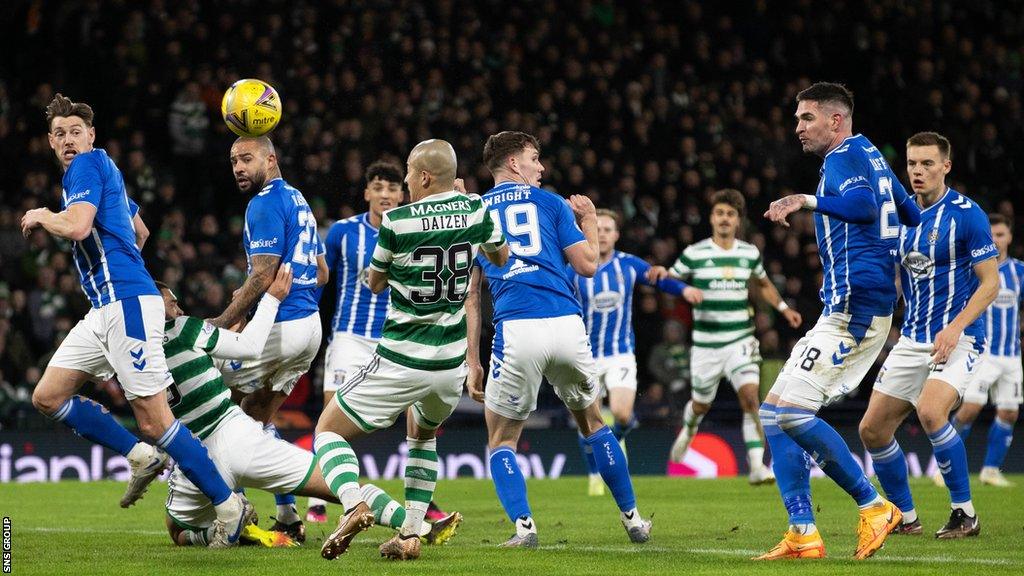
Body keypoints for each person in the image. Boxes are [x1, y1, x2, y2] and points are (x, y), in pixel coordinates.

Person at [22, 94, 251, 548]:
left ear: (91, 136)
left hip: (124, 303)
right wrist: (131, 275)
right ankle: (140, 456)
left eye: (76, 131)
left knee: (154, 418)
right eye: (61, 133)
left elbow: (80, 227)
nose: (69, 139)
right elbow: (140, 233)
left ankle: (229, 506)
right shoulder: (106, 170)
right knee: (48, 396)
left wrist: (42, 215)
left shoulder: (85, 168)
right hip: (109, 305)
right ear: (51, 141)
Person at [155, 274, 461, 548]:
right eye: (172, 303)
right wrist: (272, 298)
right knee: (340, 486)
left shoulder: (134, 355)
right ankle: (417, 526)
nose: (179, 308)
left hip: (195, 456)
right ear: (155, 307)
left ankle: (233, 527)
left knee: (177, 530)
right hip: (240, 437)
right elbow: (247, 347)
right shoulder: (186, 330)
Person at [313, 139, 508, 561]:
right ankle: (409, 534)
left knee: (327, 432)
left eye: (406, 172)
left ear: (422, 177)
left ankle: (354, 502)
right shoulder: (476, 209)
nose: (403, 180)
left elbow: (375, 283)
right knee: (422, 436)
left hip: (402, 357)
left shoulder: (398, 220)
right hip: (449, 364)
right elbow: (501, 255)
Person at [757, 82, 921, 560]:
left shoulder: (845, 157)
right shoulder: (871, 154)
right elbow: (908, 211)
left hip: (858, 311)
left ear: (836, 120)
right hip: (848, 305)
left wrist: (805, 201)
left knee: (791, 413)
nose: (798, 127)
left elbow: (867, 209)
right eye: (797, 118)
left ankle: (873, 505)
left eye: (807, 118)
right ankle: (803, 531)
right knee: (773, 414)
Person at [465, 131, 652, 548]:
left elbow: (472, 297)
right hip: (567, 325)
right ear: (514, 164)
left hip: (517, 329)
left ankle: (524, 528)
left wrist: (471, 359)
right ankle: (634, 520)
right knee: (593, 423)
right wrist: (587, 219)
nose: (541, 167)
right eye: (534, 158)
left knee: (501, 438)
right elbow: (588, 265)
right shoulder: (549, 203)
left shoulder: (475, 213)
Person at [859, 132, 998, 539]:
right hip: (913, 339)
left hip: (962, 336)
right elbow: (903, 276)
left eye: (927, 164)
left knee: (933, 411)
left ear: (946, 166)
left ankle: (964, 513)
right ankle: (905, 516)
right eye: (912, 164)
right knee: (872, 430)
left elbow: (989, 283)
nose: (918, 172)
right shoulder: (900, 215)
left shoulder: (967, 214)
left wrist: (955, 328)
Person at [308, 159, 448, 524]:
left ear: (402, 194)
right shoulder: (342, 232)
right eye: (378, 188)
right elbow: (326, 283)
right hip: (349, 337)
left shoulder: (412, 227)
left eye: (392, 189)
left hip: (395, 341)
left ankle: (422, 502)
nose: (385, 195)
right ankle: (319, 499)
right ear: (367, 192)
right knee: (331, 418)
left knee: (417, 422)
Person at [209, 135, 329, 540]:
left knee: (210, 403)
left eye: (246, 159)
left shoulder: (263, 203)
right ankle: (290, 516)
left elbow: (262, 274)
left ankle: (233, 508)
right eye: (233, 161)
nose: (239, 167)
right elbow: (322, 273)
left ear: (271, 159)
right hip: (308, 327)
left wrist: (224, 323)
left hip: (282, 325)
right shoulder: (298, 199)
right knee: (253, 422)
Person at [667, 189, 802, 486]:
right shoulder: (695, 253)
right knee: (701, 404)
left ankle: (756, 466)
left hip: (741, 339)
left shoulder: (748, 253)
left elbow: (763, 283)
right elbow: (669, 280)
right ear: (711, 218)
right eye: (720, 213)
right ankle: (689, 429)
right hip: (706, 344)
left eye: (730, 214)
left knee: (751, 399)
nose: (725, 219)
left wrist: (782, 308)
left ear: (738, 220)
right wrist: (684, 291)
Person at [567, 208, 698, 496]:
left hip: (620, 354)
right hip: (583, 355)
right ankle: (593, 474)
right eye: (597, 227)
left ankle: (617, 438)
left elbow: (658, 278)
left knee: (622, 415)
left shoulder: (627, 265)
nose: (601, 233)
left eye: (607, 229)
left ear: (616, 235)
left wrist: (683, 290)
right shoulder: (575, 267)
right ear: (587, 230)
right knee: (586, 422)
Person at [947, 214, 1023, 488]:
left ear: (1010, 237)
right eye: (992, 235)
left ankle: (990, 470)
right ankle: (943, 465)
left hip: (1012, 356)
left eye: (1001, 234)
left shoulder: (1019, 272)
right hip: (985, 353)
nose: (996, 239)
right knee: (970, 409)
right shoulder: (975, 270)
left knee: (1009, 413)